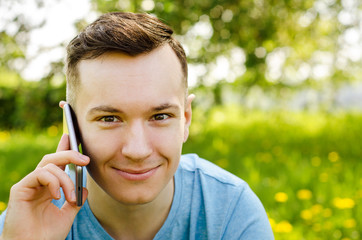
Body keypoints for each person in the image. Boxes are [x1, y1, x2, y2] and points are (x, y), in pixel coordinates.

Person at [0, 12, 274, 239]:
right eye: (109, 118)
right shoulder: (27, 222)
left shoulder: (230, 211)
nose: (137, 150)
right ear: (71, 126)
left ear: (186, 119)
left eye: (160, 116)